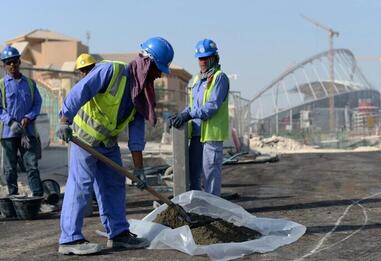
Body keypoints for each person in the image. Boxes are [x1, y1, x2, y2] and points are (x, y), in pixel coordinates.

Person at [56, 37, 174, 255]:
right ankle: (70, 240)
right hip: (84, 140)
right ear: (147, 63)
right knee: (81, 187)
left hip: (107, 145)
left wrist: (138, 170)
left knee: (114, 186)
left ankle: (118, 234)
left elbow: (136, 137)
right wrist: (64, 120)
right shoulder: (111, 71)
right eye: (158, 69)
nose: (159, 75)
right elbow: (80, 91)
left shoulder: (142, 94)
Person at [170, 39, 229, 196]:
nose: (201, 62)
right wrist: (182, 114)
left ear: (214, 58)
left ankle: (212, 211)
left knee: (210, 177)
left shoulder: (219, 78)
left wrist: (188, 114)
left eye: (205, 58)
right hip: (196, 135)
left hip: (211, 138)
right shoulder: (196, 80)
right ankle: (196, 208)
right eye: (199, 58)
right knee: (193, 176)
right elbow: (192, 105)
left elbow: (211, 106)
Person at [0, 46, 43, 197]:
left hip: (28, 132)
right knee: (10, 168)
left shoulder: (30, 84)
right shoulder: (1, 85)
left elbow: (37, 103)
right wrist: (10, 122)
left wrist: (29, 117)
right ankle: (13, 195)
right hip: (8, 133)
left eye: (15, 61)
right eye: (8, 62)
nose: (12, 65)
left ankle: (37, 195)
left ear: (19, 62)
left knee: (31, 165)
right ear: (4, 65)